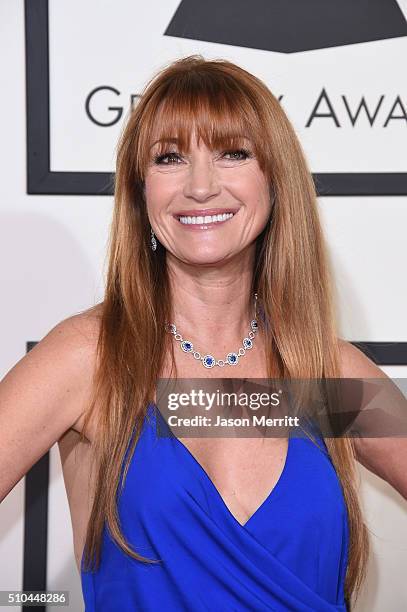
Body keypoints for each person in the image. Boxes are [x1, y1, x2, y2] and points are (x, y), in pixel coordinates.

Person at [1, 54, 406, 612]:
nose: (199, 186)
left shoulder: (327, 374)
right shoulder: (90, 359)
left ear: (275, 180)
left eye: (232, 153)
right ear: (141, 193)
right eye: (169, 158)